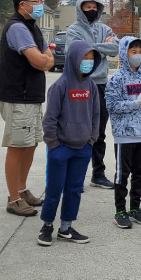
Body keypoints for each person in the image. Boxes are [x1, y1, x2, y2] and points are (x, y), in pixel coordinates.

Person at [0, 0, 53, 217]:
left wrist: (45, 59)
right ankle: (13, 198)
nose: (40, 4)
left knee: (30, 144)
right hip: (18, 97)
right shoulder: (18, 27)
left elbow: (48, 58)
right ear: (22, 4)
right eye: (36, 0)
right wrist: (44, 59)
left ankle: (22, 188)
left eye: (41, 0)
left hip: (31, 97)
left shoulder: (33, 28)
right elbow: (40, 60)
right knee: (18, 146)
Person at [37, 39, 100, 246]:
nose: (88, 62)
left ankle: (66, 227)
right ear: (74, 59)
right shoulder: (60, 86)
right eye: (85, 58)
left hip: (83, 148)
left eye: (91, 58)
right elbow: (50, 119)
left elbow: (96, 115)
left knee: (74, 189)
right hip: (60, 148)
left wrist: (91, 139)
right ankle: (47, 226)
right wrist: (53, 144)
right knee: (54, 189)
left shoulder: (91, 85)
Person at [66, 0, 119, 189]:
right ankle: (74, 177)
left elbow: (115, 48)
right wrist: (101, 47)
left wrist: (91, 47)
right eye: (87, 7)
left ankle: (98, 174)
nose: (91, 10)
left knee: (99, 132)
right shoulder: (73, 30)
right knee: (78, 131)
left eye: (94, 7)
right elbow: (75, 51)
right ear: (80, 9)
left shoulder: (104, 28)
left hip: (101, 85)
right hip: (80, 84)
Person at [106, 36, 141, 230]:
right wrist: (135, 102)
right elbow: (111, 105)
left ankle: (135, 208)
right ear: (124, 54)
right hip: (124, 134)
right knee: (122, 174)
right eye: (133, 52)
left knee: (140, 172)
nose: (137, 56)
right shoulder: (116, 79)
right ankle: (120, 210)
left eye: (139, 52)